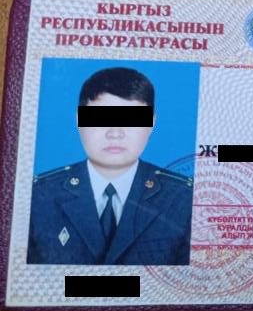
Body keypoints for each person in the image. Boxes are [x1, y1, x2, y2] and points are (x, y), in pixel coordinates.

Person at [27, 66, 193, 265]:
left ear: (151, 123)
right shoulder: (38, 196)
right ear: (79, 120)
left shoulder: (184, 199)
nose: (115, 133)